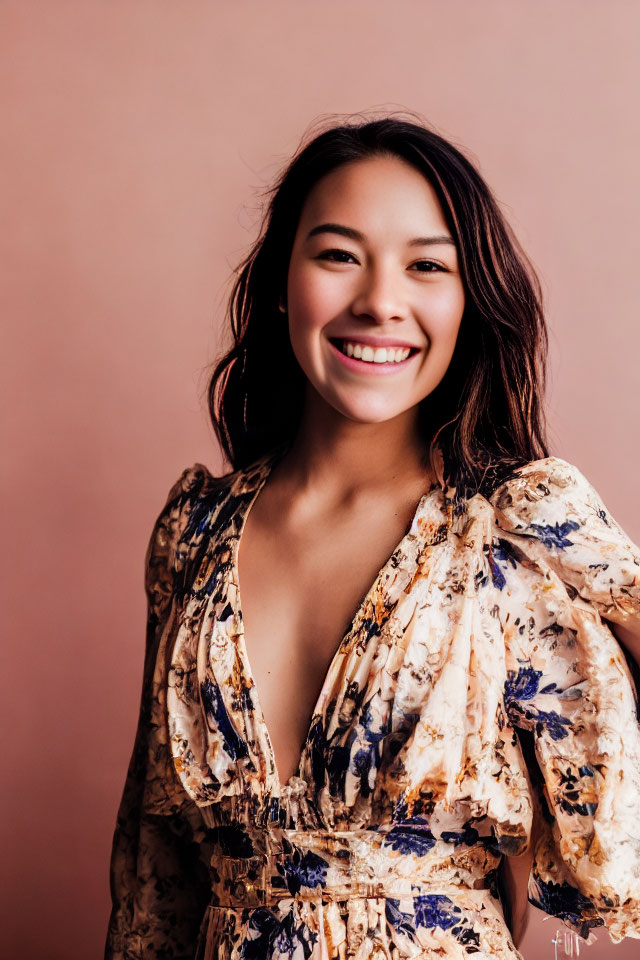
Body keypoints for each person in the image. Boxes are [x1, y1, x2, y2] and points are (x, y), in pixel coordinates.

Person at [104, 115, 640, 960]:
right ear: (284, 280)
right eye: (339, 255)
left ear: (470, 300)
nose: (380, 301)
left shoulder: (509, 531)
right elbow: (152, 876)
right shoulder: (194, 537)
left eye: (427, 265)